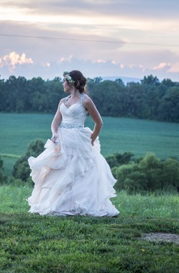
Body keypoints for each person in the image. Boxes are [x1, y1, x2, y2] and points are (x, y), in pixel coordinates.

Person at [27, 70, 119, 217]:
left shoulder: (86, 101)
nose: (63, 84)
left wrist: (92, 139)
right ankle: (56, 203)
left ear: (73, 83)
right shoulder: (63, 101)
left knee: (78, 172)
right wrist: (55, 135)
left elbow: (99, 123)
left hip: (79, 139)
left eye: (65, 81)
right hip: (62, 138)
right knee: (59, 170)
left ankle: (77, 204)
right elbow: (55, 122)